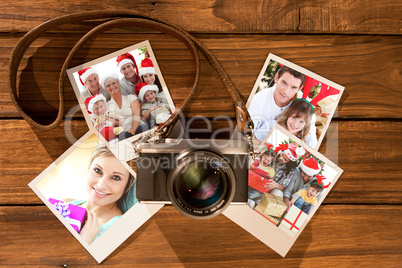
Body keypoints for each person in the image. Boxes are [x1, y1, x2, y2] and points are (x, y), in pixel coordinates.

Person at [67, 144, 136, 244]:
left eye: (116, 177)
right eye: (97, 170)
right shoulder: (67, 202)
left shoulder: (120, 229)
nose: (101, 185)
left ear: (127, 184)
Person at [248, 65, 317, 144]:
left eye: (293, 87)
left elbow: (311, 141)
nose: (286, 92)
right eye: (284, 83)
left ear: (300, 89)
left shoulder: (305, 105)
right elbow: (247, 136)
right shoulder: (257, 101)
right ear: (276, 78)